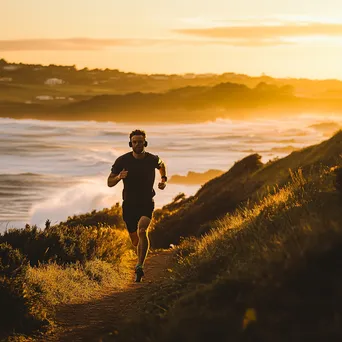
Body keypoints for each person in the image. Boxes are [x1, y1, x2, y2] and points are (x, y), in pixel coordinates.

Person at [107, 129, 167, 282]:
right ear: (130, 144)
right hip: (129, 205)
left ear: (145, 143)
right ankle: (139, 256)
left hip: (147, 202)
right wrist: (119, 177)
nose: (138, 144)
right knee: (135, 240)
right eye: (135, 142)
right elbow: (109, 182)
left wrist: (163, 179)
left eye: (140, 142)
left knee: (142, 231)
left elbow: (161, 164)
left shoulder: (152, 159)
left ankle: (140, 265)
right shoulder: (122, 161)